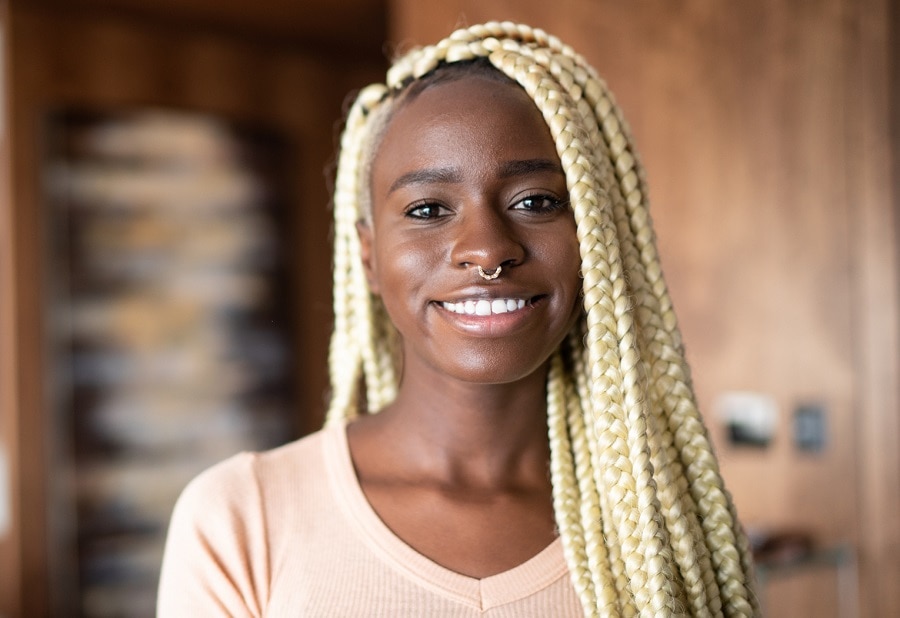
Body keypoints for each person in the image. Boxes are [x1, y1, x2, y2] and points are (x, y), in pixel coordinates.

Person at [158, 22, 759, 617]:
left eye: (536, 202)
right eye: (427, 209)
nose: (487, 249)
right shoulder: (242, 518)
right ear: (367, 255)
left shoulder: (665, 534)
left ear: (599, 238)